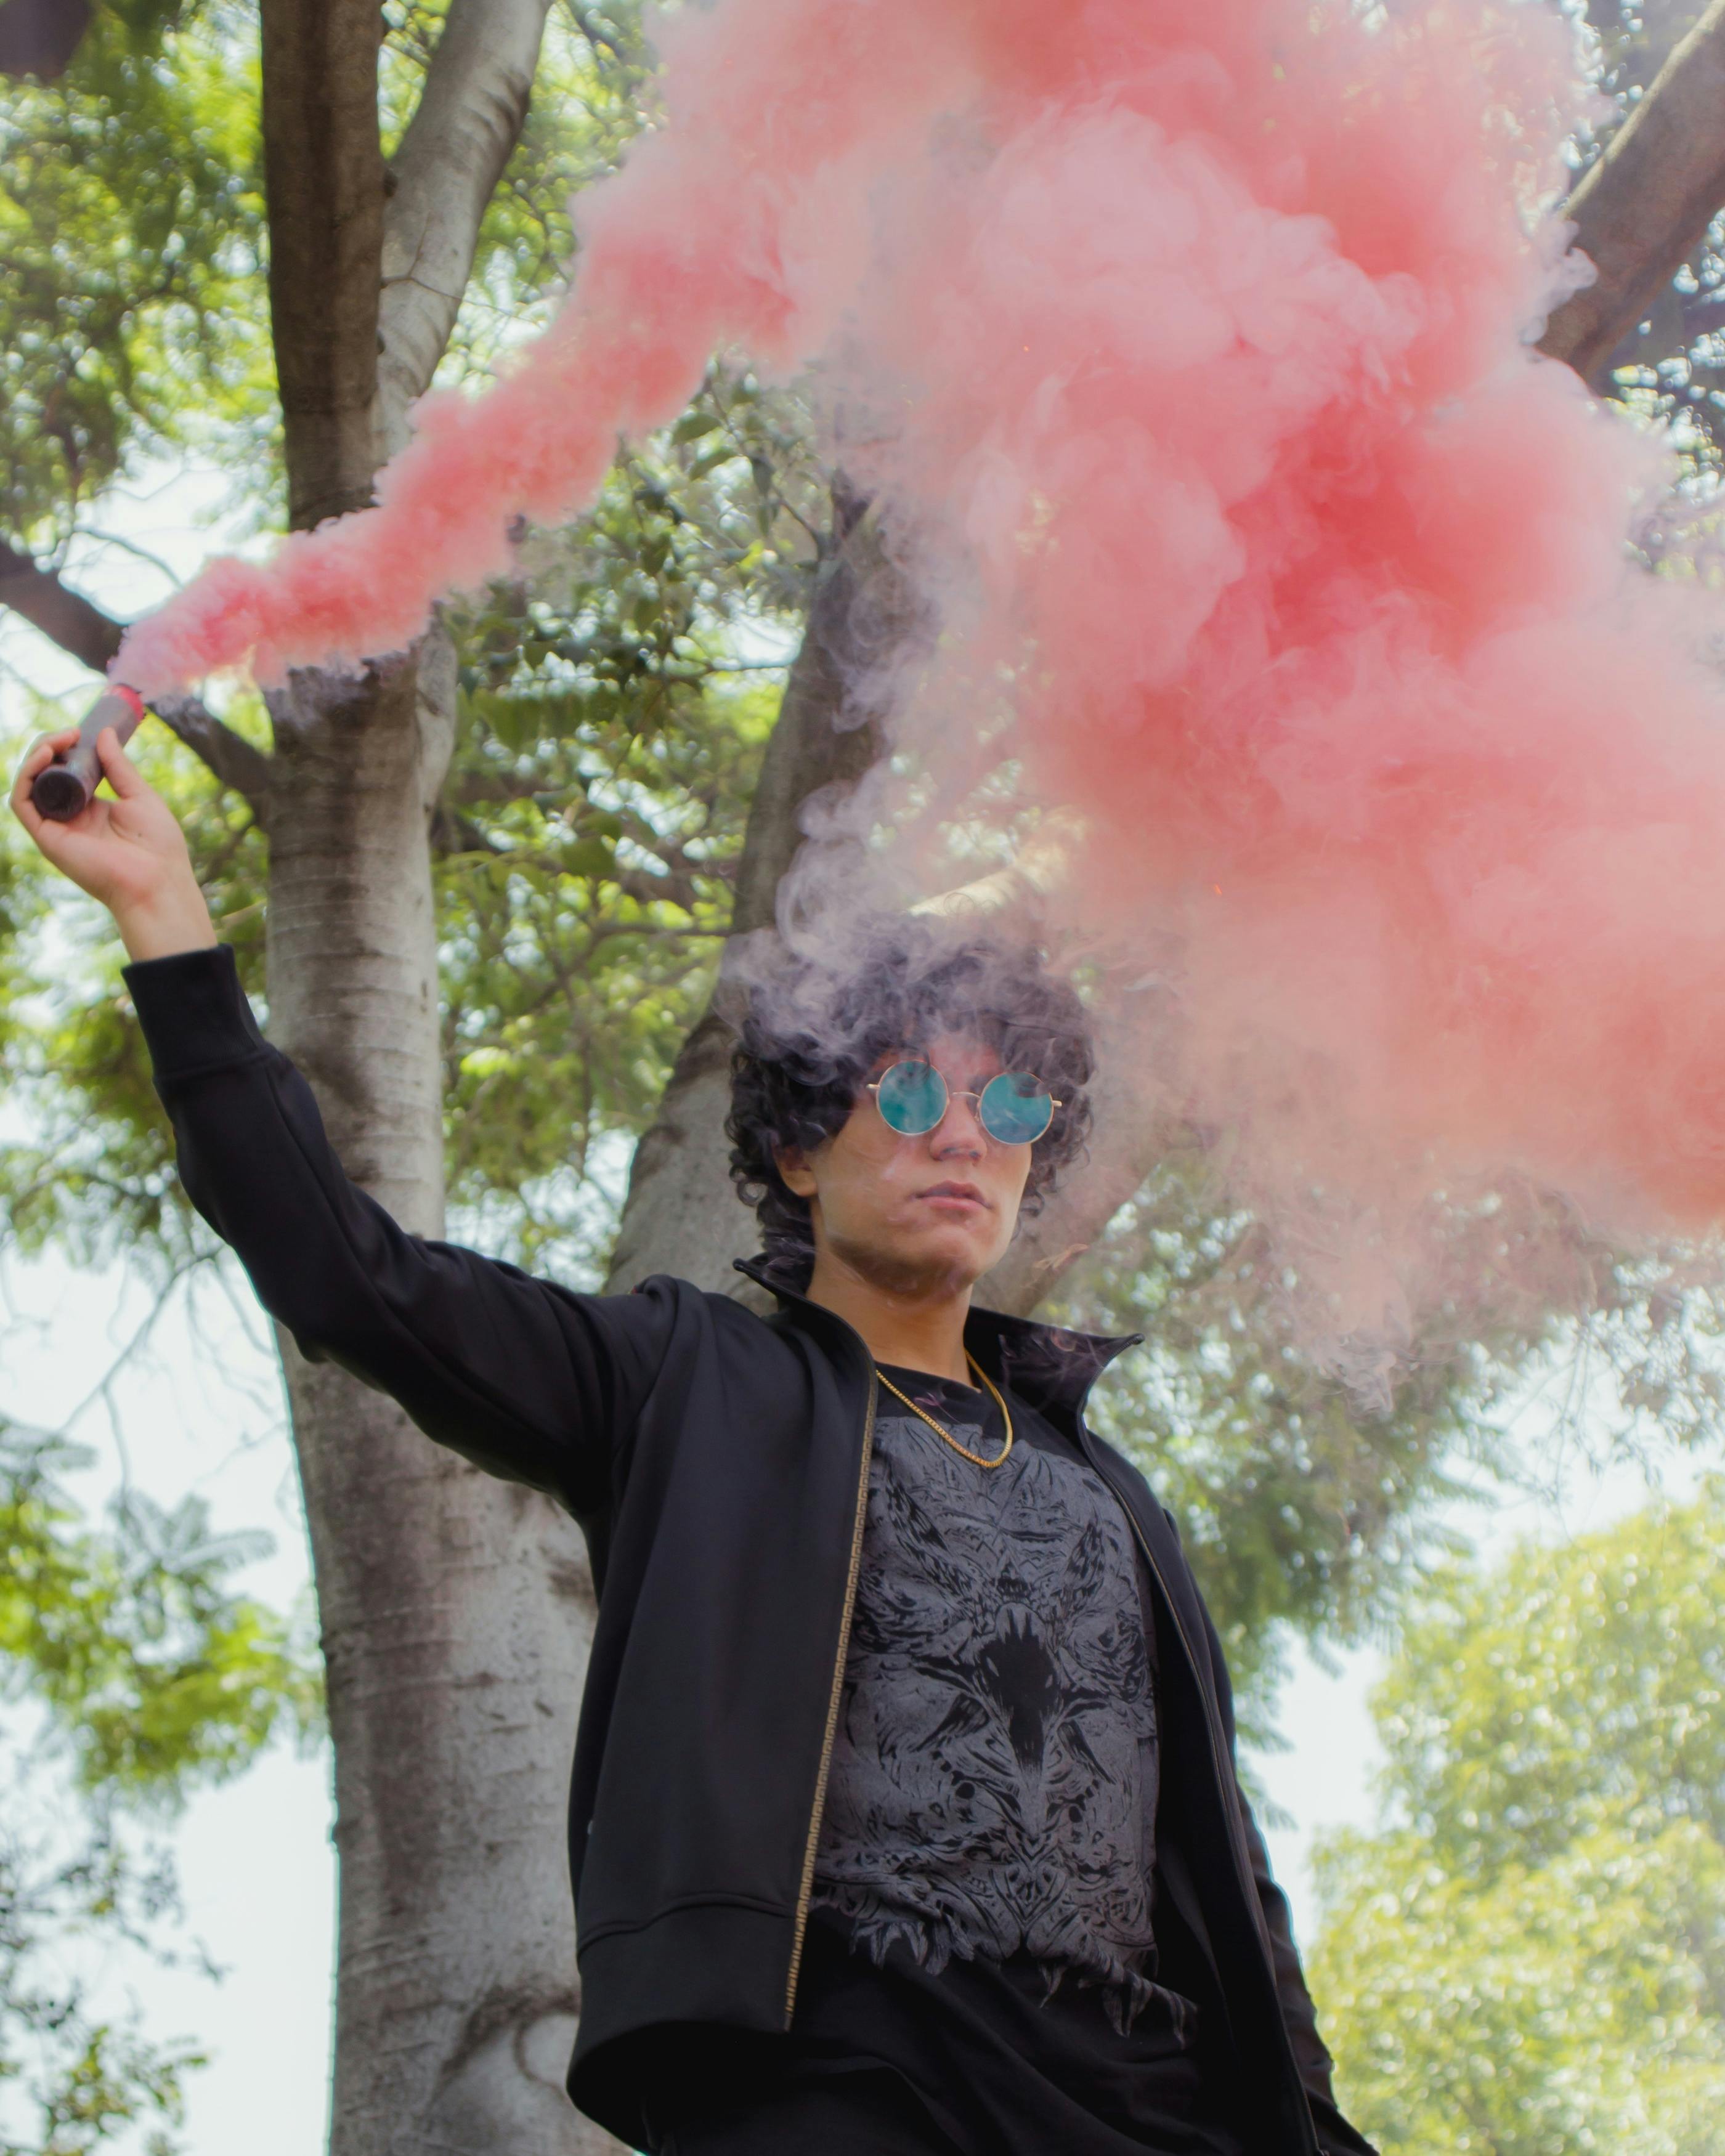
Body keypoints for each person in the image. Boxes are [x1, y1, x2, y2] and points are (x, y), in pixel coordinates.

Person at [12, 724, 1377, 2156]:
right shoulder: (685, 1378)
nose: (962, 1135)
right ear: (800, 1148)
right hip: (837, 2082)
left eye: (1008, 1103)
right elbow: (350, 1277)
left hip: (1145, 2107)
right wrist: (165, 922)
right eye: (909, 1091)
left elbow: (1224, 1864)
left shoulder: (1108, 1491)